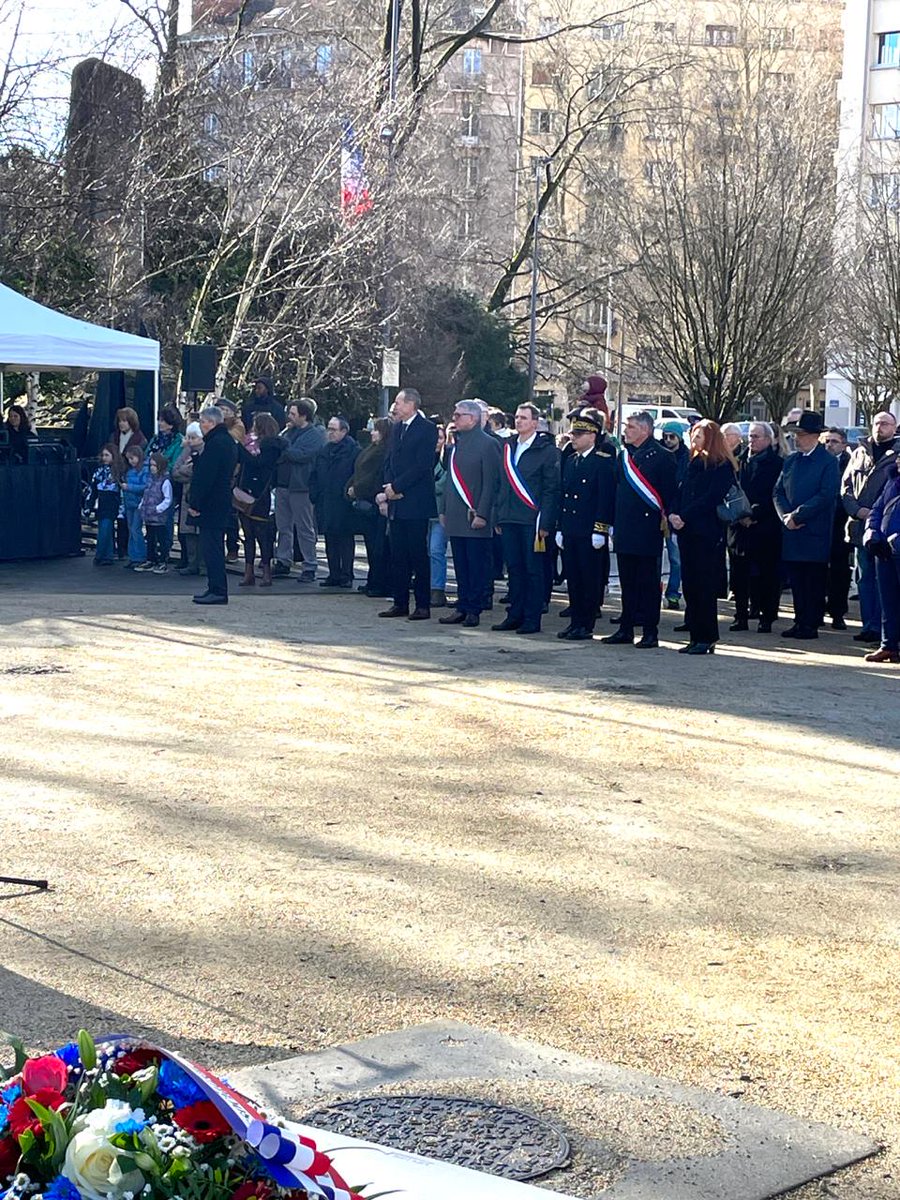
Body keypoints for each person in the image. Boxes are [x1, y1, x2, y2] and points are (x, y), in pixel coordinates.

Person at [602, 411, 677, 649]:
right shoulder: (625, 455)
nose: (626, 430)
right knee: (627, 581)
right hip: (625, 526)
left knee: (647, 582)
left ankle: (649, 631)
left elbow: (668, 495)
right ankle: (626, 627)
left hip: (647, 529)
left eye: (631, 427)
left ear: (645, 430)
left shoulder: (662, 457)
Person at [667, 420, 737, 654]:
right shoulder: (692, 461)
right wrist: (674, 514)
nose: (694, 441)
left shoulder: (721, 465)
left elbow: (711, 497)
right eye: (693, 436)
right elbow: (680, 491)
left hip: (706, 531)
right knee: (691, 585)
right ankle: (695, 635)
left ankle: (707, 637)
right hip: (687, 530)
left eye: (698, 436)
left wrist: (685, 515)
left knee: (704, 586)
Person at [492, 403, 560, 635]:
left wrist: (546, 522)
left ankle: (532, 618)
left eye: (524, 418)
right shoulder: (508, 447)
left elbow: (552, 489)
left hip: (532, 520)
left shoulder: (547, 451)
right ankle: (515, 614)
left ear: (535, 422)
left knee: (533, 570)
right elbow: (500, 484)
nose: (518, 421)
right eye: (517, 417)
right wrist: (498, 516)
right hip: (509, 517)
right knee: (514, 568)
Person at [774, 410, 840, 640]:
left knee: (813, 580)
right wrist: (785, 516)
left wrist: (798, 516)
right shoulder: (791, 460)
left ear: (814, 436)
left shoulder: (828, 462)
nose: (796, 438)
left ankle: (810, 623)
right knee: (796, 580)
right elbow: (778, 491)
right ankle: (799, 620)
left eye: (801, 434)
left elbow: (826, 495)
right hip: (791, 530)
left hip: (813, 530)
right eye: (795, 434)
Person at [438, 400, 501, 628]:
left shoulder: (488, 444)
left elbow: (490, 482)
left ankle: (474, 608)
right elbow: (449, 482)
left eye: (458, 415)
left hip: (474, 515)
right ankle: (462, 606)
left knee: (476, 566)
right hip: (456, 514)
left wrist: (483, 513)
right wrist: (443, 509)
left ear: (473, 419)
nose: (454, 419)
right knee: (461, 565)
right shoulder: (456, 444)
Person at [378, 388, 439, 621]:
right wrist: (387, 488)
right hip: (396, 501)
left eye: (399, 402)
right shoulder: (396, 428)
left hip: (415, 501)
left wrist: (398, 487)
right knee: (398, 554)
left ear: (411, 404)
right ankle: (400, 602)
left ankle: (422, 605)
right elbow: (389, 460)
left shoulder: (427, 429)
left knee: (417, 555)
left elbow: (422, 466)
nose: (395, 406)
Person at [555, 410, 616, 640]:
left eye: (579, 434)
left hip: (589, 530)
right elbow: (565, 495)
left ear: (592, 436)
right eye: (573, 433)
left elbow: (604, 498)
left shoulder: (602, 463)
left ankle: (586, 624)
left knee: (589, 579)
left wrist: (600, 529)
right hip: (571, 528)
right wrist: (560, 527)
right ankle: (575, 621)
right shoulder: (571, 461)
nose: (574, 438)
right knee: (574, 578)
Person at [841, 411, 899, 645]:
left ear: (894, 428)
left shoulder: (897, 454)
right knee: (864, 577)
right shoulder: (859, 452)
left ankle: (885, 631)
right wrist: (856, 510)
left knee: (884, 582)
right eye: (876, 423)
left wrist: (875, 512)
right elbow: (845, 487)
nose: (879, 427)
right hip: (859, 527)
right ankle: (869, 626)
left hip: (887, 531)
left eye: (885, 423)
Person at [728, 422, 783, 633]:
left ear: (768, 440)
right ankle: (740, 616)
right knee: (739, 575)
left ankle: (766, 617)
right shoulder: (737, 462)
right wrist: (740, 515)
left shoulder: (778, 464)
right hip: (739, 527)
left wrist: (755, 514)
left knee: (766, 574)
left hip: (765, 526)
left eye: (757, 437)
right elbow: (731, 491)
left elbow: (777, 493)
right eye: (750, 436)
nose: (752, 440)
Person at [188, 406, 239, 605]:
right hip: (219, 499)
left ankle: (218, 589)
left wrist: (196, 502)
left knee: (212, 547)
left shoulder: (216, 444)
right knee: (212, 545)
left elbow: (205, 477)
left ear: (211, 422)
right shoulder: (225, 441)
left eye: (202, 422)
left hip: (212, 502)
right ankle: (214, 587)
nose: (201, 426)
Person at [272, 398, 325, 582]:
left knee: (304, 528)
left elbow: (300, 455)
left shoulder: (314, 435)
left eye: (293, 414)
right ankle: (283, 560)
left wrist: (285, 447)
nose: (290, 417)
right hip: (283, 485)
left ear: (304, 415)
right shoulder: (289, 431)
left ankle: (309, 564)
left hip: (301, 487)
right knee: (283, 526)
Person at [309, 416, 359, 588]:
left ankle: (346, 574)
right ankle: (334, 573)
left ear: (344, 431)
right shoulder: (325, 450)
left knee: (345, 538)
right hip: (326, 501)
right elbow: (314, 473)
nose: (329, 433)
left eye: (333, 429)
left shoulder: (353, 451)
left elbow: (355, 475)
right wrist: (314, 494)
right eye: (328, 429)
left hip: (343, 501)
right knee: (330, 538)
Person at [236, 413, 284, 588]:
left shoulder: (271, 446)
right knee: (248, 535)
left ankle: (266, 572)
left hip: (261, 493)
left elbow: (259, 464)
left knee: (263, 535)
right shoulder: (251, 442)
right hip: (246, 489)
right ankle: (248, 572)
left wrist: (241, 450)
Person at [347, 417, 391, 596]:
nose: (372, 433)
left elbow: (374, 476)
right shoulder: (371, 449)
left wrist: (357, 489)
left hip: (374, 501)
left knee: (378, 546)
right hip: (363, 499)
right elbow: (359, 471)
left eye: (375, 430)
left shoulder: (383, 452)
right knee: (370, 545)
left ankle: (379, 582)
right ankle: (372, 580)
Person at [862, 460, 900, 664]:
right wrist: (872, 534)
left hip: (896, 547)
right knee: (888, 600)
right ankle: (889, 645)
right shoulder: (892, 481)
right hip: (885, 552)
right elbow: (876, 510)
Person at [823, 427, 852, 630]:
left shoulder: (848, 463)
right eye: (826, 441)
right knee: (818, 570)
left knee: (840, 571)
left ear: (843, 444)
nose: (829, 445)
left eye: (834, 441)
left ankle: (837, 613)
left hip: (840, 523)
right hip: (819, 523)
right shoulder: (819, 462)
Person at [659, 421, 689, 610]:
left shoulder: (686, 458)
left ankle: (673, 594)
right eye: (666, 436)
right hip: (658, 511)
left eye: (672, 436)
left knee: (676, 558)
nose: (668, 440)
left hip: (675, 513)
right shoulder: (659, 455)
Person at [172, 423, 205, 577]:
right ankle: (192, 564)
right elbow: (175, 471)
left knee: (202, 532)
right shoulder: (186, 451)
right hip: (187, 496)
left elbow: (200, 472)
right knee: (189, 531)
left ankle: (203, 565)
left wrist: (186, 471)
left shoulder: (206, 451)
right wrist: (187, 470)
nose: (190, 440)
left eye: (194, 437)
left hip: (200, 494)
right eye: (189, 437)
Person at [216, 399, 246, 563]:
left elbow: (230, 440)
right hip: (223, 472)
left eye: (225, 410)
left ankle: (233, 547)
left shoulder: (237, 426)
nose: (223, 413)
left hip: (234, 474)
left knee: (230, 513)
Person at [136, 453, 174, 574]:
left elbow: (168, 499)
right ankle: (151, 559)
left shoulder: (165, 481)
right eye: (151, 465)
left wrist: (158, 509)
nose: (152, 467)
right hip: (148, 515)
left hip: (158, 516)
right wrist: (142, 505)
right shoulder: (150, 480)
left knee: (161, 539)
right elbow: (146, 494)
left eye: (154, 465)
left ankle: (163, 560)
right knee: (150, 538)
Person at [89, 444, 123, 566]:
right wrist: (89, 505)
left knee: (105, 529)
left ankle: (100, 554)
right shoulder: (98, 471)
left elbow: (122, 491)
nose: (104, 458)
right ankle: (107, 555)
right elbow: (92, 489)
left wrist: (121, 507)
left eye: (107, 455)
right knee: (106, 530)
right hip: (102, 503)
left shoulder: (119, 471)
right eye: (103, 455)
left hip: (112, 503)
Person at [428, 422, 450, 608]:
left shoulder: (448, 459)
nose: (437, 442)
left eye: (440, 438)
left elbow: (444, 484)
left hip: (440, 513)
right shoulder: (422, 457)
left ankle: (438, 589)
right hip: (422, 511)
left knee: (436, 550)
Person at [121, 445, 149, 568]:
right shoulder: (130, 471)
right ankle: (133, 556)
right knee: (131, 529)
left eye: (132, 458)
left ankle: (140, 556)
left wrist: (129, 487)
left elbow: (145, 487)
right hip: (129, 503)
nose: (131, 461)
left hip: (139, 503)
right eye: (129, 459)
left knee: (135, 529)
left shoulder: (145, 470)